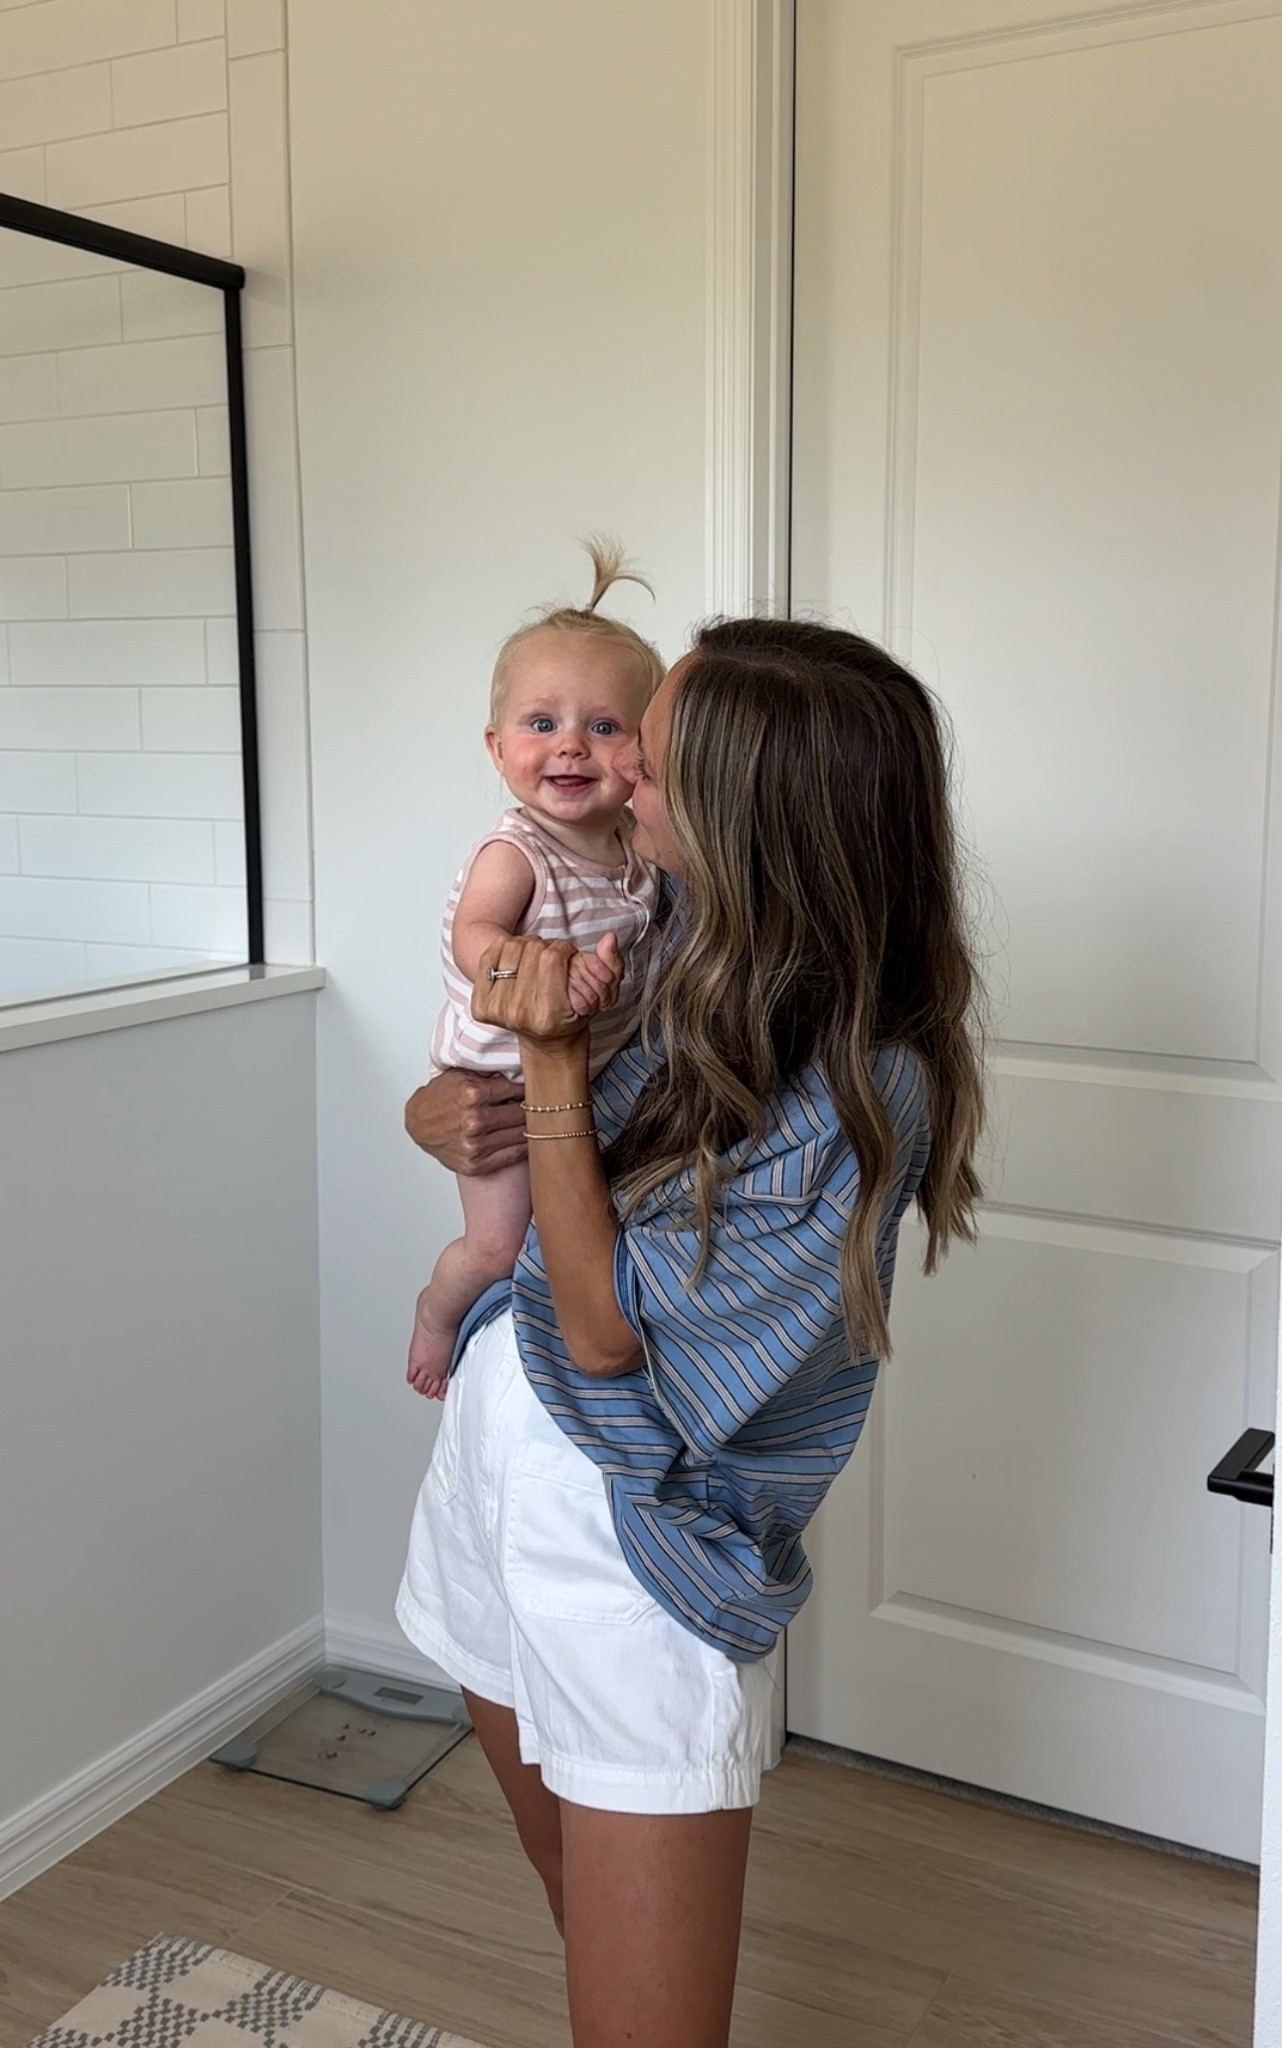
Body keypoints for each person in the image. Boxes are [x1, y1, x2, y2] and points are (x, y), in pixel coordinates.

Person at [399, 617, 984, 2048]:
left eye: (648, 766)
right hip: (497, 1450)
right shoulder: (675, 955)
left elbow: (605, 1332)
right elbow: (550, 1165)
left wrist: (538, 1063)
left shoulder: (866, 1088)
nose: (609, 787)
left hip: (636, 1540)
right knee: (571, 1903)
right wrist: (443, 1111)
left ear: (749, 813)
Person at [405, 540, 663, 1399]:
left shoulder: (640, 853)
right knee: (495, 1244)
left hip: (589, 1079)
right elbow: (474, 941)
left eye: (605, 726)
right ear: (495, 746)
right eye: (542, 724)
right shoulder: (517, 854)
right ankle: (438, 1313)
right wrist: (540, 968)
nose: (572, 748)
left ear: (645, 750)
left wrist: (600, 988)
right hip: (503, 1086)